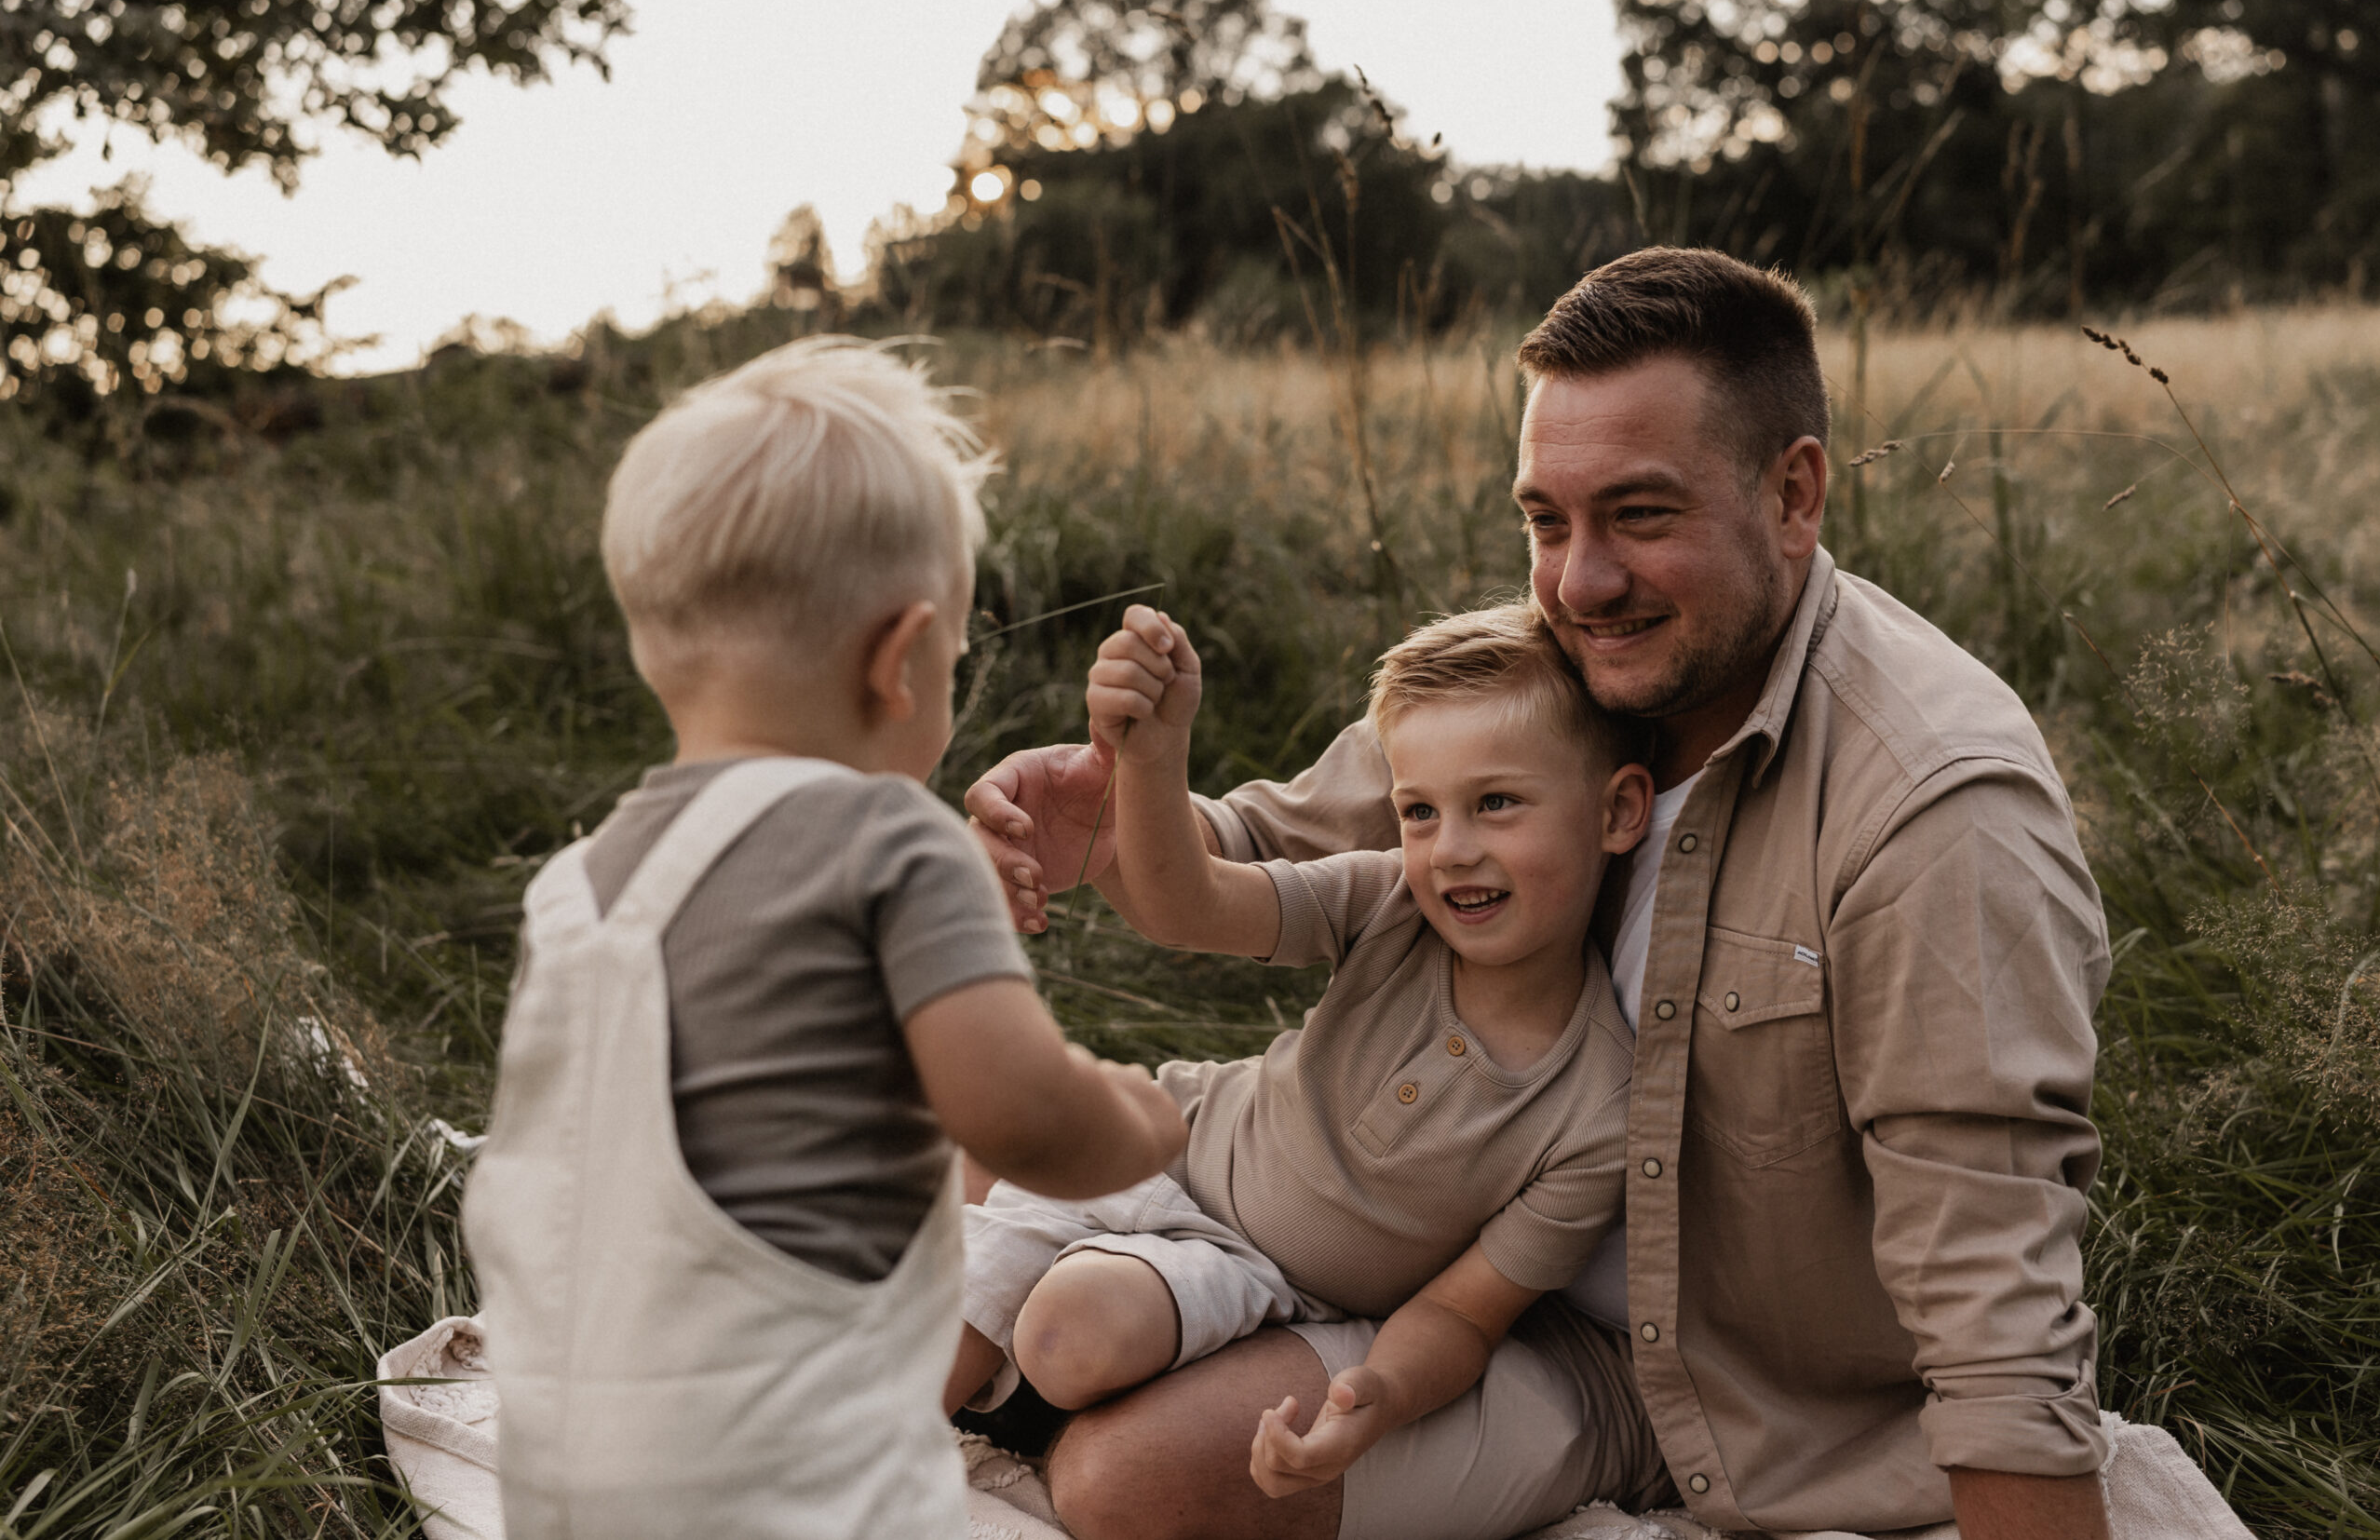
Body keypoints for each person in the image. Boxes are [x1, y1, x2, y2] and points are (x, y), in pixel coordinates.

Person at [967, 249, 2115, 1540]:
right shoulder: (1560, 662)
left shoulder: (1934, 812)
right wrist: (1113, 821)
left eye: (1640, 514)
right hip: (1409, 1238)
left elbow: (1992, 1301)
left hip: (1689, 1385)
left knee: (1133, 1476)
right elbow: (1263, 843)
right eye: (1546, 520)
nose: (1579, 582)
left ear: (1793, 493)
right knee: (956, 1140)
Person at [462, 337, 1186, 1540]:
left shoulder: (574, 886)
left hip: (570, 1481)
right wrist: (1139, 1118)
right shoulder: (896, 840)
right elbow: (1019, 1116)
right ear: (900, 660)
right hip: (802, 1485)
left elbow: (741, 1067)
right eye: (954, 660)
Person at [948, 601, 1652, 1530]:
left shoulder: (1598, 1111)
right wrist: (1152, 759)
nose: (1451, 850)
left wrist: (1375, 1399)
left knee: (1067, 1334)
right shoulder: (1387, 901)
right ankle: (846, 1447)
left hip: (1258, 1276)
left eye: (1496, 803)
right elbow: (1189, 905)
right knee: (963, 1160)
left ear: (1618, 811)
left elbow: (1459, 1315)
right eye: (1419, 811)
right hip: (1172, 1140)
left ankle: (991, 1384)